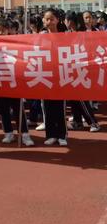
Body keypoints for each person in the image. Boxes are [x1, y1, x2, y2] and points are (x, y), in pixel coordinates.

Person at [0, 19, 34, 146]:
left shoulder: (14, 43)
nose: (1, 33)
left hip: (14, 81)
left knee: (18, 109)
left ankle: (25, 134)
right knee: (3, 109)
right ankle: (8, 133)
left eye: (3, 30)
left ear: (8, 31)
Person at [41, 9, 68, 146]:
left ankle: (62, 134)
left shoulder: (64, 36)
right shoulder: (40, 36)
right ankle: (51, 135)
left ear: (57, 20)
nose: (49, 21)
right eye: (47, 19)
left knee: (59, 108)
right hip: (45, 76)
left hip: (60, 75)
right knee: (48, 107)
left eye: (52, 19)